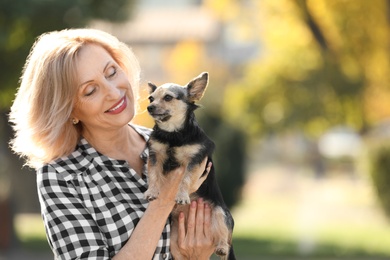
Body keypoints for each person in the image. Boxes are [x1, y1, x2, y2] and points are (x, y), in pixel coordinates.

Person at [9, 28, 215, 260]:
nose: (113, 91)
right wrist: (163, 202)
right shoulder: (61, 174)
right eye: (90, 90)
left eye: (111, 72)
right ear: (68, 110)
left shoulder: (176, 146)